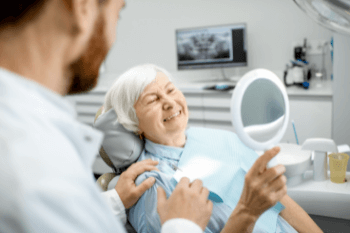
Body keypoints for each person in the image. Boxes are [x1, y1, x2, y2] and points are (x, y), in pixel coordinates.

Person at [0, 1, 213, 232]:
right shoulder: (36, 169)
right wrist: (182, 225)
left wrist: (116, 199)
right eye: (118, 13)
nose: (170, 103)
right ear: (81, 7)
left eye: (171, 90)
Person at [103, 64, 324, 233]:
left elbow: (280, 201)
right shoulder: (151, 185)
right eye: (153, 100)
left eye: (171, 90)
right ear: (133, 122)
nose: (170, 102)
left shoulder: (214, 137)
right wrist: (247, 211)